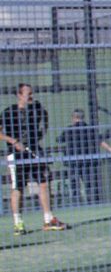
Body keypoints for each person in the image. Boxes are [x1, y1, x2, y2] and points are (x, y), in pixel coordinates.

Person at [1, 83, 67, 233]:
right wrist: (14, 141)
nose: (31, 96)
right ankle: (18, 223)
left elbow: (44, 124)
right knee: (18, 187)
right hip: (16, 154)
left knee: (43, 183)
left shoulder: (36, 111)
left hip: (34, 151)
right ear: (19, 95)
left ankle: (48, 219)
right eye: (28, 94)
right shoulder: (8, 112)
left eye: (32, 93)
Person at [56, 108, 101, 205]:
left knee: (75, 185)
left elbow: (59, 140)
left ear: (74, 118)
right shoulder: (89, 129)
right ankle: (92, 203)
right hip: (87, 161)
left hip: (73, 162)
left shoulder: (69, 130)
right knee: (89, 184)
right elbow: (98, 139)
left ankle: (77, 203)